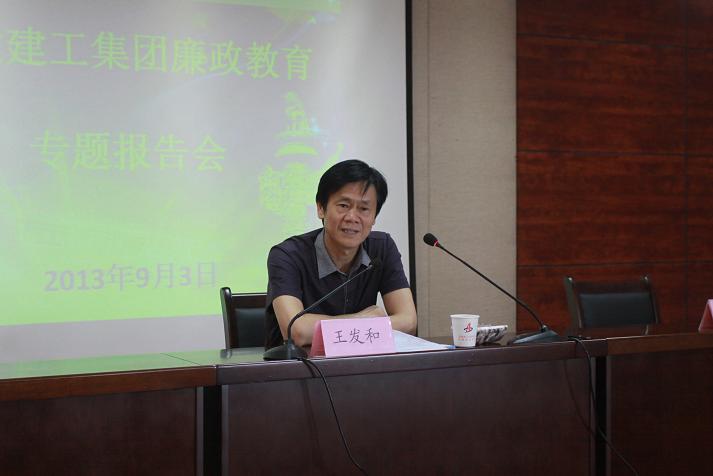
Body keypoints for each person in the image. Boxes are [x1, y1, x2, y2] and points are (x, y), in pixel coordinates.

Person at [265, 159, 417, 349]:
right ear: (321, 208)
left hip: (359, 364)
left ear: (374, 217)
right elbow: (297, 331)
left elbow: (408, 321)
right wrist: (364, 319)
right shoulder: (287, 255)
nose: (352, 217)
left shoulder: (382, 248)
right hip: (298, 366)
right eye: (344, 205)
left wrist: (329, 326)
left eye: (364, 209)